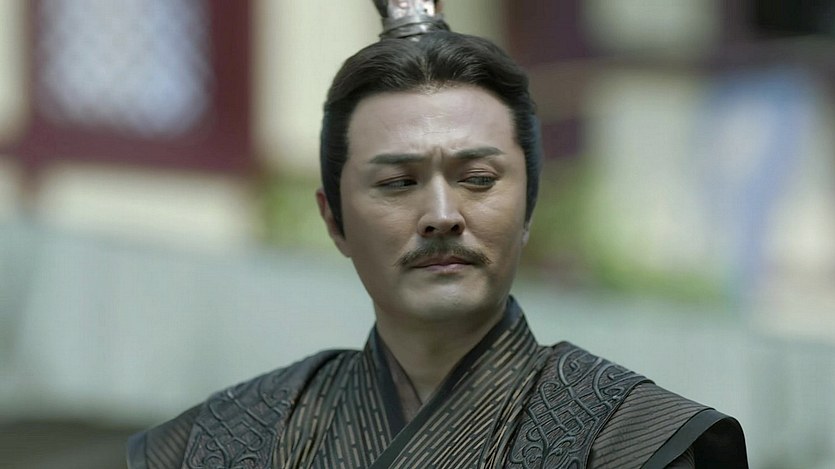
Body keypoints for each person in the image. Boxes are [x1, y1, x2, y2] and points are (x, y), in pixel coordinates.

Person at [127, 2, 747, 467]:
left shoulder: (631, 439)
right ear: (333, 220)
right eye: (398, 183)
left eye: (477, 179)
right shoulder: (225, 441)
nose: (442, 214)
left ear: (529, 206)